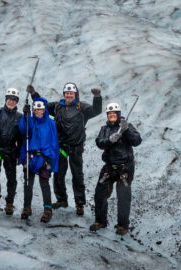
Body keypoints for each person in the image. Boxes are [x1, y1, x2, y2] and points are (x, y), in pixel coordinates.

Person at [27, 82, 102, 216]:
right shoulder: (57, 106)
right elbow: (42, 106)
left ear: (75, 95)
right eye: (66, 93)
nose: (68, 95)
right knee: (59, 174)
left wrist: (97, 97)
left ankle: (80, 203)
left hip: (76, 147)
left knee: (77, 175)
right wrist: (34, 94)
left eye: (71, 93)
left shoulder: (82, 107)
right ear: (64, 94)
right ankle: (62, 199)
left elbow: (96, 111)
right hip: (61, 146)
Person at [90, 102, 142, 235]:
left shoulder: (126, 126)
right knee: (100, 194)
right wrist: (109, 140)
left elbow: (137, 141)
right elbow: (99, 143)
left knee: (123, 196)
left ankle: (122, 225)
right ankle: (100, 221)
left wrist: (126, 130)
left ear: (118, 115)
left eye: (114, 114)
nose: (112, 116)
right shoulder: (104, 129)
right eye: (109, 114)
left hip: (125, 167)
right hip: (109, 167)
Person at [18, 97, 59, 223]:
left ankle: (47, 210)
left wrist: (50, 158)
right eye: (36, 110)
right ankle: (27, 208)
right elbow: (23, 130)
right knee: (28, 183)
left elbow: (54, 142)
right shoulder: (30, 121)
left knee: (44, 184)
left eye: (40, 109)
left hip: (45, 157)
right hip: (30, 156)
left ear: (44, 109)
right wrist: (25, 116)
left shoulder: (51, 123)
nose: (38, 112)